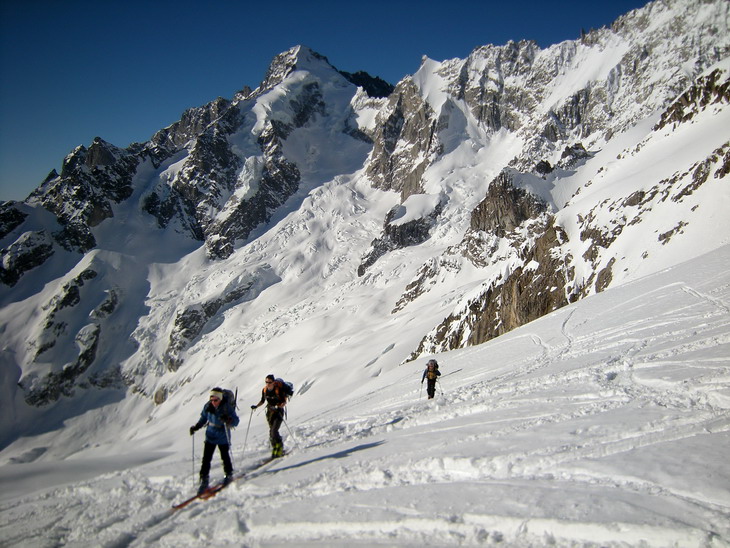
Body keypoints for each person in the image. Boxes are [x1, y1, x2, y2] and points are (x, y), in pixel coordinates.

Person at [190, 387, 240, 494]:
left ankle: (229, 474)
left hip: (222, 435)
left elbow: (236, 421)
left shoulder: (227, 407)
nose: (213, 402)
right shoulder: (208, 406)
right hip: (210, 435)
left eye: (216, 400)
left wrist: (228, 420)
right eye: (212, 399)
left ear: (220, 399)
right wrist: (196, 427)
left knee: (224, 456)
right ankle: (204, 479)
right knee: (206, 459)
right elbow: (203, 418)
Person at [251, 374, 289, 458]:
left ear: (273, 382)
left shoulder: (278, 389)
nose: (268, 384)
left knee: (274, 431)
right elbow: (263, 400)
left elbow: (284, 402)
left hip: (278, 412)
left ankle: (280, 448)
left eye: (269, 382)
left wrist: (279, 406)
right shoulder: (265, 390)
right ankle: (275, 447)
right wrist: (256, 406)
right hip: (270, 412)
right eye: (266, 382)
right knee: (271, 432)